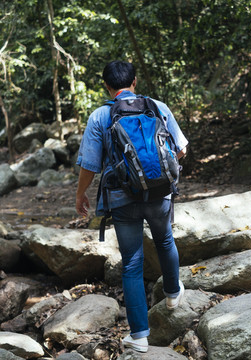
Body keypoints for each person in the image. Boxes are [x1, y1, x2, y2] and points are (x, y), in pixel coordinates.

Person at [75, 60, 188, 353]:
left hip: (122, 199)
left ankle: (139, 336)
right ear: (134, 81)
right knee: (165, 240)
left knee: (132, 263)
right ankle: (174, 294)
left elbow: (89, 164)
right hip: (159, 193)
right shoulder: (157, 107)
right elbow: (181, 148)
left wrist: (80, 195)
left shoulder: (101, 116)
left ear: (107, 87)